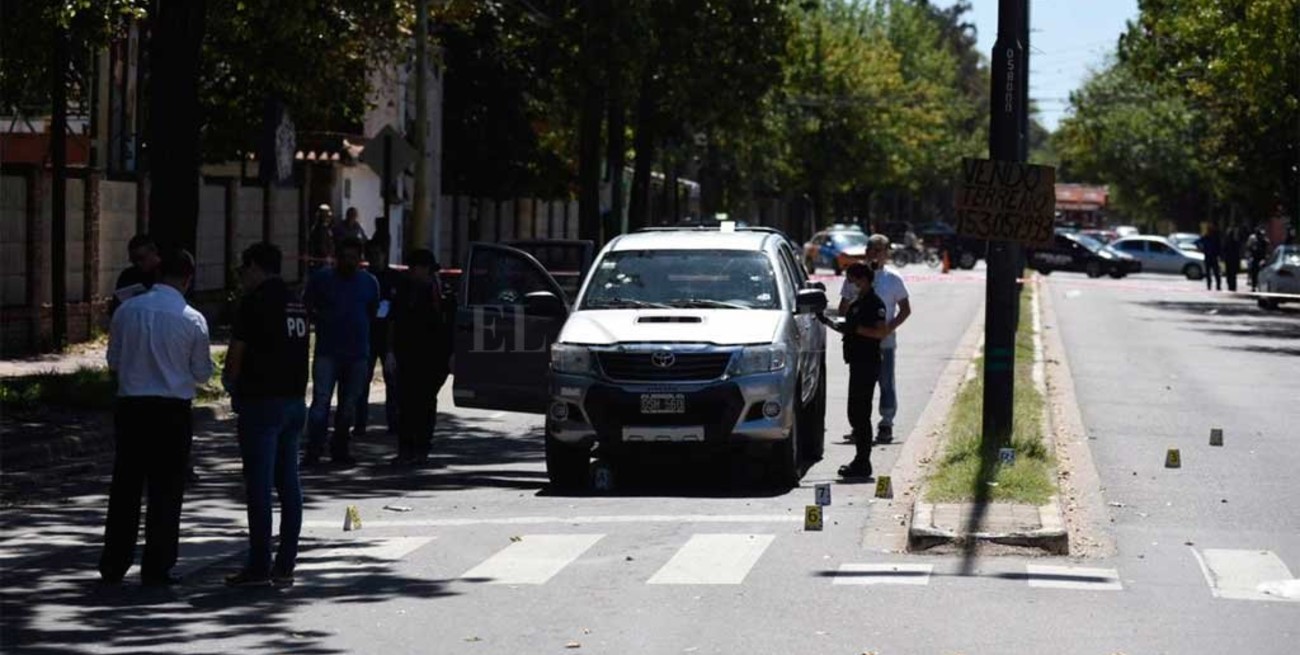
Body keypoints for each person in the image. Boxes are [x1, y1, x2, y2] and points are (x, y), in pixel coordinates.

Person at [99, 249, 213, 586]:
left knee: (125, 486)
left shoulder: (127, 310)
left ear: (159, 273)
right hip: (171, 411)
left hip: (132, 407)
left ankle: (114, 561)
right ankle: (158, 564)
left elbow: (114, 361)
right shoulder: (193, 319)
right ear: (188, 279)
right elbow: (202, 373)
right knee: (166, 489)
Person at [222, 243, 309, 588]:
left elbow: (236, 354)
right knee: (289, 483)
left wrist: (230, 383)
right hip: (293, 401)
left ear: (256, 266)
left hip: (261, 402)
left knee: (259, 486)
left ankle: (259, 563)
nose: (242, 275)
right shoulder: (296, 302)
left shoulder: (254, 302)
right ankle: (286, 562)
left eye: (244, 268)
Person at [303, 237, 380, 466]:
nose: (349, 261)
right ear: (337, 258)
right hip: (327, 351)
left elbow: (372, 312)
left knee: (348, 406)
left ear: (360, 259)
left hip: (357, 354)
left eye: (353, 258)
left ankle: (340, 449)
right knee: (320, 403)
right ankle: (313, 450)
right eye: (345, 257)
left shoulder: (369, 282)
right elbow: (307, 307)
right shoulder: (322, 279)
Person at [838, 234, 912, 443]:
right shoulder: (855, 276)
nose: (875, 254)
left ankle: (886, 422)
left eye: (880, 250)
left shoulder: (893, 279)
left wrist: (889, 329)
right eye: (872, 249)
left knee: (885, 381)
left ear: (887, 254)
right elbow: (843, 307)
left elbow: (905, 310)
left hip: (883, 341)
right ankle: (860, 426)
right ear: (866, 251)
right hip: (859, 340)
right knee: (860, 385)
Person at [821, 263, 889, 479]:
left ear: (864, 280)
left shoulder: (874, 303)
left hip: (868, 362)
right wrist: (826, 321)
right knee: (854, 412)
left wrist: (856, 329)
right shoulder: (857, 302)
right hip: (856, 362)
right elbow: (847, 327)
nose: (850, 285)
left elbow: (879, 333)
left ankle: (863, 461)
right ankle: (859, 459)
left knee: (861, 413)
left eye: (853, 280)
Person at [390, 249, 455, 465]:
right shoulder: (405, 289)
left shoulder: (442, 292)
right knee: (406, 403)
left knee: (425, 403)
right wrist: (391, 351)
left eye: (415, 268)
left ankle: (421, 448)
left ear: (425, 269)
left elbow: (450, 326)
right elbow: (396, 321)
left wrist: (451, 355)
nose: (412, 272)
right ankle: (406, 448)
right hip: (407, 355)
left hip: (433, 357)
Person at [353, 239, 400, 439]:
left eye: (378, 254)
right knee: (362, 382)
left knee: (393, 382)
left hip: (388, 336)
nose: (375, 258)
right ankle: (360, 424)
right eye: (371, 255)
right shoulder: (363, 279)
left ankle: (394, 423)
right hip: (368, 335)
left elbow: (397, 309)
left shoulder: (394, 278)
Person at [109, 234, 162, 316]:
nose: (138, 263)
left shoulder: (166, 274)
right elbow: (115, 307)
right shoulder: (128, 275)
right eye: (133, 260)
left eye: (141, 258)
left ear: (153, 252)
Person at [307, 204, 335, 271]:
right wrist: (327, 256)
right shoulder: (319, 229)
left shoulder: (326, 228)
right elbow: (321, 244)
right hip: (321, 260)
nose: (329, 219)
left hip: (325, 259)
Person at [1197, 223, 1223, 291]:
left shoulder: (1215, 238)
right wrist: (1201, 249)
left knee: (1215, 272)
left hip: (1212, 257)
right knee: (1210, 273)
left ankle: (1217, 286)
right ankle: (1211, 286)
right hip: (1209, 257)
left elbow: (1219, 247)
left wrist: (1219, 255)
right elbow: (1198, 242)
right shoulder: (1206, 237)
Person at [1247, 227, 1271, 292]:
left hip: (1262, 258)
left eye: (1262, 235)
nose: (1260, 236)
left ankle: (1261, 286)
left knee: (1263, 273)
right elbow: (1250, 248)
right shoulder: (1254, 241)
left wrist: (1266, 256)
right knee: (1254, 272)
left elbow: (1268, 249)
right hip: (1255, 258)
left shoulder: (1265, 241)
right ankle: (1253, 285)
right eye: (1259, 235)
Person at [1222, 223, 1242, 292]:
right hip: (1232, 260)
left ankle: (1231, 286)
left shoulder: (1228, 242)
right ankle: (1232, 286)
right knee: (1232, 274)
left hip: (1230, 259)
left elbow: (1224, 250)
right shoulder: (1234, 242)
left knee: (1230, 274)